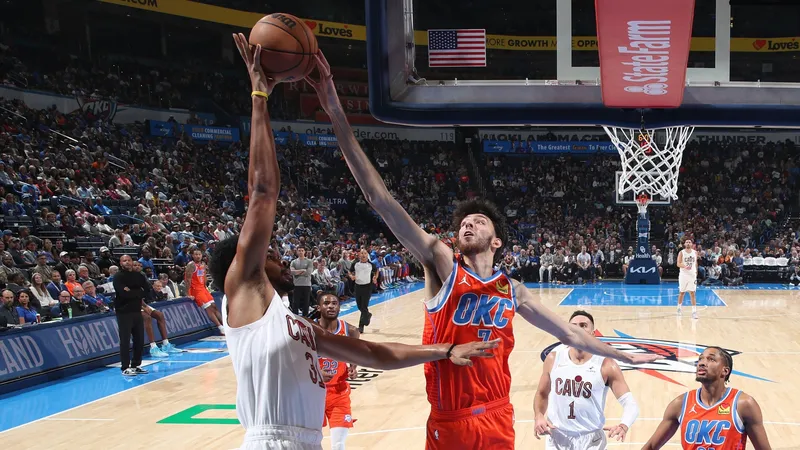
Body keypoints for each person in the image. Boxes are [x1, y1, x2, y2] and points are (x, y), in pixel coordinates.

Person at [304, 52, 662, 450]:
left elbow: (570, 334)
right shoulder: (442, 263)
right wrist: (334, 108)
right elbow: (379, 198)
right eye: (464, 221)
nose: (468, 223)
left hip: (498, 415)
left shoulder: (513, 290)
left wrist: (626, 358)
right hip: (452, 419)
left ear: (497, 241)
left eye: (479, 221)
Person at [209, 35, 499, 450]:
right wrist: (260, 96)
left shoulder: (298, 327)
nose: (282, 259)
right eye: (272, 256)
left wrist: (445, 349)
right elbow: (262, 192)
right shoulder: (243, 292)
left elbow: (375, 355)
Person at [533, 311, 639, 449]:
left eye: (583, 326)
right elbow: (541, 393)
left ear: (593, 333)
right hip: (558, 437)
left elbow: (630, 404)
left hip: (592, 440)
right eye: (574, 326)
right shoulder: (554, 358)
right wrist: (539, 416)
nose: (578, 329)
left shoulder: (606, 365)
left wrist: (624, 425)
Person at [642, 347, 772, 450]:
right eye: (701, 359)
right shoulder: (680, 404)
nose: (702, 363)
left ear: (725, 371)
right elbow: (651, 447)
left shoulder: (743, 404)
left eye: (711, 359)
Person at [316, 293, 359, 450]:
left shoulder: (351, 331)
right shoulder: (309, 332)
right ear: (318, 307)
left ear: (339, 307)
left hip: (338, 393)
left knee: (338, 445)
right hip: (313, 394)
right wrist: (316, 372)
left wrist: (353, 367)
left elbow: (356, 353)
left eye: (334, 303)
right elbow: (295, 361)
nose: (331, 306)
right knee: (312, 443)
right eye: (326, 303)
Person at [113, 254, 151, 376]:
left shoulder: (138, 275)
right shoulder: (118, 277)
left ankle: (136, 365)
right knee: (125, 340)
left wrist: (132, 291)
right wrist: (138, 292)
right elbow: (124, 294)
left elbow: (147, 290)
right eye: (124, 261)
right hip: (123, 312)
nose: (127, 262)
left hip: (137, 311)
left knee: (139, 339)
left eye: (129, 260)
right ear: (120, 263)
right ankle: (125, 367)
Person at [186, 248, 224, 334]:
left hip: (203, 289)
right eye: (196, 254)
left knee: (214, 306)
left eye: (199, 254)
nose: (198, 256)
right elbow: (188, 280)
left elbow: (204, 277)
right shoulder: (191, 265)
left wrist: (206, 287)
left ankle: (225, 325)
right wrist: (188, 293)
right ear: (192, 255)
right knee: (209, 308)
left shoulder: (202, 264)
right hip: (195, 290)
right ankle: (220, 327)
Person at [349, 249, 377, 333]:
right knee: (359, 306)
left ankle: (361, 327)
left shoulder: (371, 264)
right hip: (357, 286)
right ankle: (368, 315)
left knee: (364, 306)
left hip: (367, 287)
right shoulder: (355, 263)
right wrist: (351, 276)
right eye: (362, 253)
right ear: (359, 255)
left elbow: (376, 271)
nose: (363, 255)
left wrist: (375, 277)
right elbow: (350, 271)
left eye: (365, 253)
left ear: (367, 255)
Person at [677, 239, 699, 319]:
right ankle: (679, 308)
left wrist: (696, 272)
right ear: (684, 244)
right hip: (683, 275)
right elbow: (678, 263)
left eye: (690, 242)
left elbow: (695, 263)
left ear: (692, 244)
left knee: (692, 293)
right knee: (682, 292)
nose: (688, 243)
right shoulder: (681, 252)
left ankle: (694, 312)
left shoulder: (695, 252)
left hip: (692, 275)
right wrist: (685, 266)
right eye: (687, 242)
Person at [290, 246, 313, 317]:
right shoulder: (293, 262)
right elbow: (292, 272)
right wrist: (302, 270)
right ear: (297, 252)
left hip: (306, 284)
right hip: (296, 284)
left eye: (302, 250)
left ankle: (305, 317)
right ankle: (295, 317)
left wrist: (297, 272)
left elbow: (308, 273)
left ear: (304, 252)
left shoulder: (309, 261)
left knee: (306, 303)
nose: (300, 252)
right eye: (299, 250)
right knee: (295, 303)